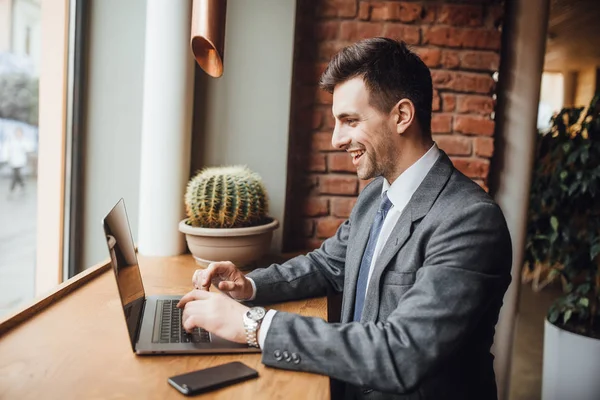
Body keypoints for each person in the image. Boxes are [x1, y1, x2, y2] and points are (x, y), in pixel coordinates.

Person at [177, 38, 512, 400]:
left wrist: (252, 325)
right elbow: (326, 265)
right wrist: (250, 286)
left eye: (349, 121)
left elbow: (401, 353)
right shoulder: (376, 195)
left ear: (402, 115)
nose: (337, 139)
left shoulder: (471, 222)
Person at [6, 127, 30, 197]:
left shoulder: (24, 140)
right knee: (16, 174)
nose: (18, 134)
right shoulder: (12, 140)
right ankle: (22, 185)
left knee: (16, 174)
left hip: (20, 160)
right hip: (13, 160)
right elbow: (10, 150)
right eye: (17, 132)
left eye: (19, 132)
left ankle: (12, 188)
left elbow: (27, 149)